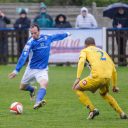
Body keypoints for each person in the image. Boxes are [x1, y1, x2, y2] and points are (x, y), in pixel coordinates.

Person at [8, 24, 71, 109]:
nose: (33, 35)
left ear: (39, 31)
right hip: (30, 69)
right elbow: (23, 56)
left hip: (42, 70)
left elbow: (57, 36)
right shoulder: (30, 43)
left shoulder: (47, 38)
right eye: (32, 33)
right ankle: (32, 89)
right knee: (22, 87)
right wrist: (16, 70)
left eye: (35, 33)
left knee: (44, 83)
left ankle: (38, 102)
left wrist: (67, 34)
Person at [72, 37, 127, 119]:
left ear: (85, 45)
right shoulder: (103, 52)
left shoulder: (85, 50)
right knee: (104, 94)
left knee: (77, 88)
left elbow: (81, 61)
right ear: (95, 44)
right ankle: (121, 113)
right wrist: (114, 86)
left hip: (96, 77)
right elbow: (114, 70)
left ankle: (92, 110)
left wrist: (78, 77)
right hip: (107, 78)